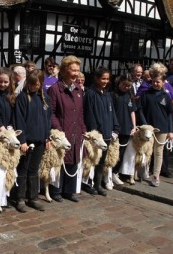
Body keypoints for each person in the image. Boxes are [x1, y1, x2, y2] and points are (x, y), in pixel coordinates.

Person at [48, 55, 86, 202]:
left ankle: (69, 191)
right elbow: (51, 112)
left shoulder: (78, 90)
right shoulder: (55, 89)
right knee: (60, 160)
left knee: (74, 159)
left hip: (76, 130)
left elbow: (80, 112)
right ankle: (56, 190)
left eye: (77, 70)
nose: (76, 73)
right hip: (62, 131)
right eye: (73, 70)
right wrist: (58, 129)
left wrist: (83, 129)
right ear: (64, 70)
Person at [13, 70, 51, 212]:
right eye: (32, 84)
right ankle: (20, 198)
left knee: (34, 170)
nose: (34, 87)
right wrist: (22, 140)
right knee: (23, 169)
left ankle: (33, 197)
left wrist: (47, 136)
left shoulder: (45, 98)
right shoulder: (22, 98)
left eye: (37, 84)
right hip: (27, 141)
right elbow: (19, 120)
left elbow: (47, 119)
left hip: (40, 139)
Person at [136, 64, 173, 187]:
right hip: (148, 129)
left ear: (163, 82)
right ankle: (143, 172)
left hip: (162, 128)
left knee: (158, 152)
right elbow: (140, 109)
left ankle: (156, 175)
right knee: (146, 150)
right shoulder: (146, 94)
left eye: (158, 82)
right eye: (153, 81)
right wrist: (145, 125)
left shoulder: (166, 96)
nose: (156, 84)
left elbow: (169, 114)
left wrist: (170, 130)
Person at [83, 68, 119, 196]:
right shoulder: (90, 94)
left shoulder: (108, 94)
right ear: (97, 78)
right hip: (97, 135)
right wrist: (95, 133)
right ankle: (88, 184)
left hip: (108, 133)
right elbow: (89, 114)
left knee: (102, 161)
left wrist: (115, 127)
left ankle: (98, 184)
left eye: (107, 79)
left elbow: (112, 112)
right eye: (103, 78)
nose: (105, 81)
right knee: (91, 160)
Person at [111, 74, 137, 185]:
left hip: (127, 128)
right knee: (112, 152)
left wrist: (134, 126)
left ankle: (115, 173)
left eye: (129, 86)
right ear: (120, 82)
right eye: (125, 85)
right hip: (116, 128)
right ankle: (109, 173)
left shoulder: (129, 95)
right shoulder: (113, 95)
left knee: (121, 153)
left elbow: (132, 111)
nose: (126, 88)